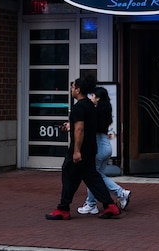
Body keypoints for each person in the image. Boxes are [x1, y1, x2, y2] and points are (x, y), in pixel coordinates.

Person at [46, 75, 121, 220]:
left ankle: (63, 209)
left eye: (73, 87)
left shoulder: (79, 107)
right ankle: (110, 205)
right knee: (92, 177)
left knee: (68, 175)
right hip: (91, 148)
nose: (71, 89)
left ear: (78, 89)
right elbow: (84, 127)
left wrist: (76, 151)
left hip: (80, 150)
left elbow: (80, 129)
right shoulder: (90, 106)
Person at [77, 86, 131, 215]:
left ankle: (120, 192)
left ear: (98, 98)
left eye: (93, 96)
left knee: (93, 176)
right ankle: (91, 204)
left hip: (99, 148)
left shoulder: (96, 113)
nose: (91, 98)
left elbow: (89, 129)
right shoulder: (105, 110)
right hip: (106, 146)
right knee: (96, 176)